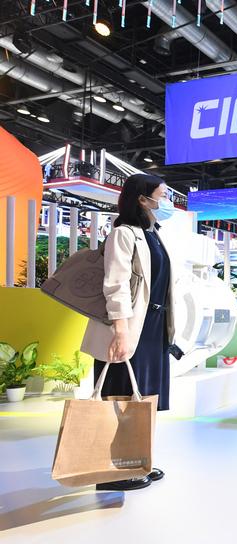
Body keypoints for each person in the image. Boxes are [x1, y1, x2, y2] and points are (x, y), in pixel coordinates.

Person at [81, 173, 182, 491]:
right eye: (162, 196)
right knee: (121, 395)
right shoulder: (123, 234)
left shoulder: (153, 234)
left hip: (154, 329)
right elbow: (116, 284)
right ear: (142, 199)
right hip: (131, 326)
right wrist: (121, 330)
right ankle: (113, 470)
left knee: (144, 397)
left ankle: (137, 460)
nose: (167, 202)